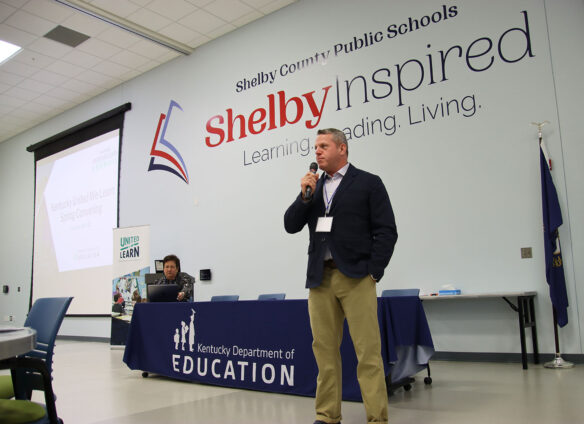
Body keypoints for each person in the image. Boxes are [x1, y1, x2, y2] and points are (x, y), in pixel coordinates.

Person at [284, 128, 398, 424]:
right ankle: (327, 416)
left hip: (357, 277)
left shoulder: (368, 183)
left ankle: (377, 418)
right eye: (315, 147)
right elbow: (290, 225)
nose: (317, 152)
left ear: (342, 149)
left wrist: (374, 271)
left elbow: (386, 230)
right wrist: (303, 196)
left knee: (368, 354)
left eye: (323, 146)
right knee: (324, 353)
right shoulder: (314, 188)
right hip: (320, 279)